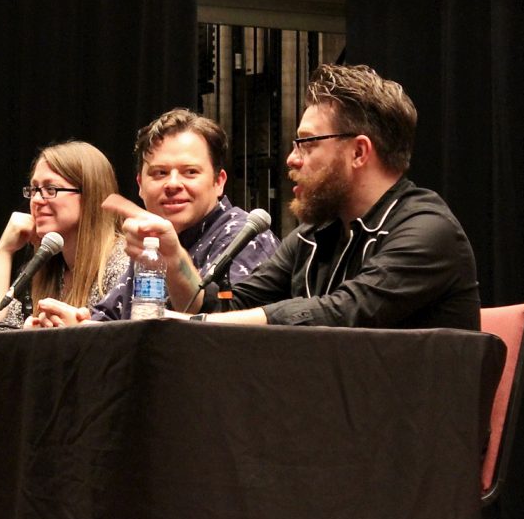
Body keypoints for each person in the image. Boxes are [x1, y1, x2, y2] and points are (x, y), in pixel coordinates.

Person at [168, 64, 480, 330]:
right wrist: (171, 255)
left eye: (307, 143)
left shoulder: (428, 230)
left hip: (412, 401)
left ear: (358, 152)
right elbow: (227, 307)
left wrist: (206, 322)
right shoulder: (312, 236)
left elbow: (343, 312)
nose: (291, 159)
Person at [32, 108, 281, 326]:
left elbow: (231, 330)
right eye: (159, 173)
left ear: (219, 182)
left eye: (190, 172)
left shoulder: (245, 238)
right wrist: (71, 323)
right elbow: (110, 320)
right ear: (140, 185)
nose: (172, 184)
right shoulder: (150, 242)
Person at [0, 141, 129, 330]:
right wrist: (3, 251)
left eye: (51, 189)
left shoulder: (123, 263)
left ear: (89, 195)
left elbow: (127, 349)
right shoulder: (45, 267)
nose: (36, 200)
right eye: (34, 189)